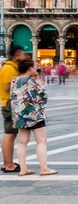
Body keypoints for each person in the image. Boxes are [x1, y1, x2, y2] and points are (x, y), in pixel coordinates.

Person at [10, 59, 56, 177]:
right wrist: (40, 81)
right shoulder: (30, 81)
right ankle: (44, 169)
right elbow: (43, 97)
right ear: (30, 68)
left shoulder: (14, 80)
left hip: (19, 115)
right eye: (34, 66)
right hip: (33, 115)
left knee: (22, 142)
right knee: (41, 141)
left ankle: (23, 169)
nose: (36, 68)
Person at [0, 46, 28, 174]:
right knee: (10, 134)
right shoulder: (9, 68)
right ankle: (8, 164)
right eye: (23, 54)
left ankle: (8, 162)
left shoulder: (12, 67)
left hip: (10, 103)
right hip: (9, 103)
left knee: (11, 133)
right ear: (16, 55)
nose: (25, 56)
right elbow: (7, 87)